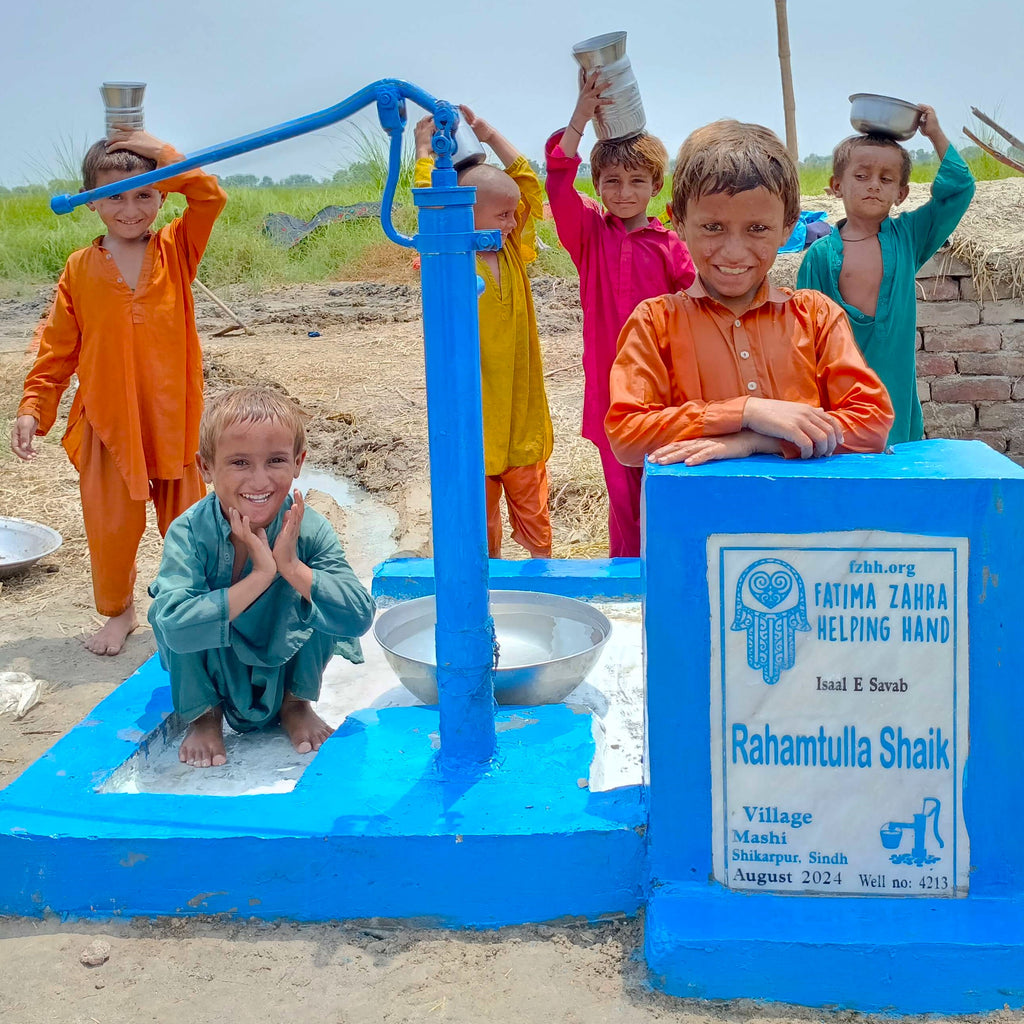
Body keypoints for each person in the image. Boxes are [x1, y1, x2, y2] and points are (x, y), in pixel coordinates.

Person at [10, 130, 227, 655]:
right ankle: (120, 612)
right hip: (107, 423)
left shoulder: (177, 249)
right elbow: (58, 349)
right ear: (90, 201)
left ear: (161, 195)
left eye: (145, 194)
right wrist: (35, 407)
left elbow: (209, 195)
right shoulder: (79, 269)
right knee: (110, 529)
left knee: (188, 525)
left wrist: (160, 153)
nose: (130, 209)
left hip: (173, 419)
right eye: (114, 196)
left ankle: (191, 606)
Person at [605, 120, 894, 470]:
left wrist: (758, 440)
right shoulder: (655, 322)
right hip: (708, 521)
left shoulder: (816, 317)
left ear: (789, 226)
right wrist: (746, 411)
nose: (734, 252)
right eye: (713, 228)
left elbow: (873, 423)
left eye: (757, 229)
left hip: (806, 519)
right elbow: (627, 435)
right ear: (678, 221)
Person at [148, 388, 375, 768]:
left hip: (283, 655)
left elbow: (357, 617)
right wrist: (261, 575)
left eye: (275, 461)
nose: (259, 481)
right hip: (215, 659)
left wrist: (293, 568)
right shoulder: (189, 533)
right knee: (169, 609)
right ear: (205, 467)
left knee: (322, 593)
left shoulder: (308, 529)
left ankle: (295, 703)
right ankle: (205, 716)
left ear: (299, 462)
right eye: (239, 462)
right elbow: (175, 629)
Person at [545, 71, 696, 556]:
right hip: (610, 390)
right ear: (599, 185)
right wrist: (579, 117)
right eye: (613, 182)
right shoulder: (589, 235)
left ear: (656, 185)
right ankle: (628, 587)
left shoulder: (670, 245)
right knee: (623, 498)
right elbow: (557, 176)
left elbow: (699, 303)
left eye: (637, 181)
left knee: (663, 490)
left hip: (665, 389)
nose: (625, 192)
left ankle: (666, 577)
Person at [414, 107, 553, 559]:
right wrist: (421, 152)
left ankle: (542, 578)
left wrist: (490, 135)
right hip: (477, 416)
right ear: (467, 214)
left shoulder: (511, 247)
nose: (514, 222)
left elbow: (528, 188)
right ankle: (484, 590)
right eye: (502, 215)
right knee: (480, 526)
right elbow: (433, 208)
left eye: (514, 216)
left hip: (521, 412)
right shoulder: (452, 258)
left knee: (535, 517)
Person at [797, 107, 975, 445]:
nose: (874, 186)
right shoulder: (819, 257)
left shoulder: (909, 237)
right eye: (861, 176)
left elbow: (960, 189)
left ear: (901, 193)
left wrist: (934, 133)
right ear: (836, 186)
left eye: (886, 179)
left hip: (895, 394)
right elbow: (802, 339)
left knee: (898, 475)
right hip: (838, 399)